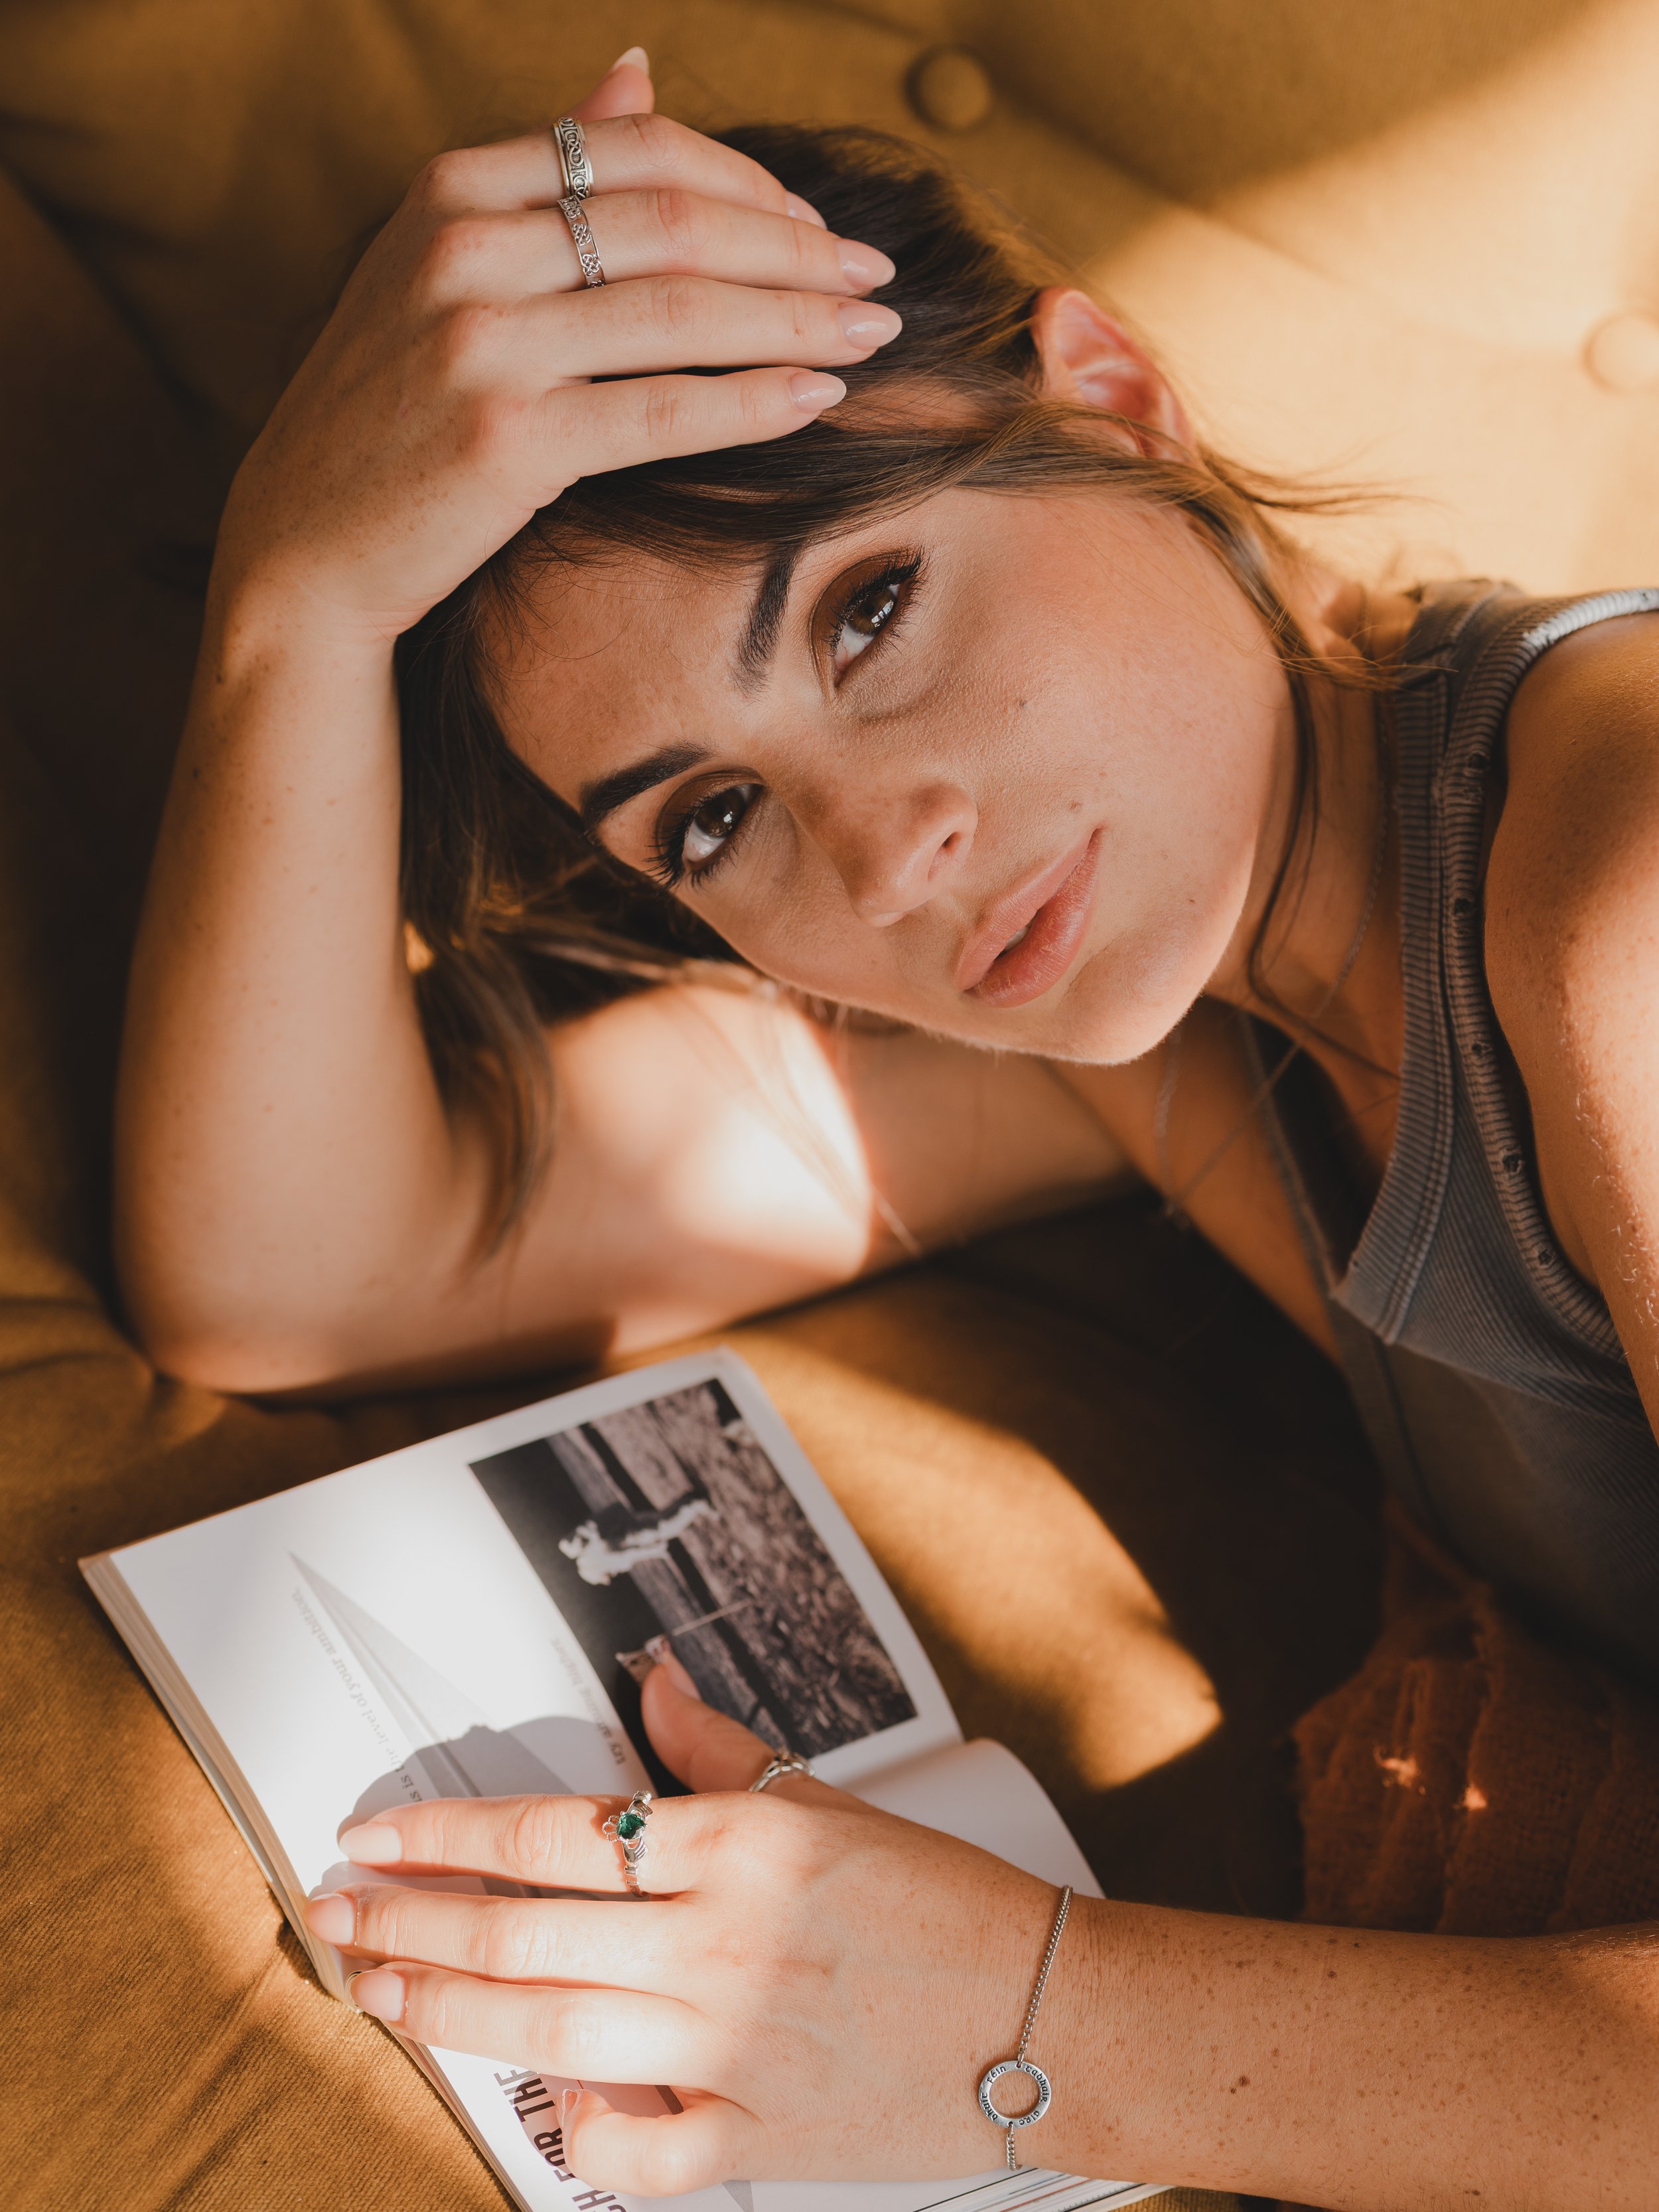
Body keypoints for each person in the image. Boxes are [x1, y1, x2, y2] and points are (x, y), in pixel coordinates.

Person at [113, 45, 1659, 2209]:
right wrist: (297, 606)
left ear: (1112, 398)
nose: (886, 862)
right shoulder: (1162, 1023)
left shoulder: (1617, 897)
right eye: (716, 817)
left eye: (867, 609)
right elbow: (307, 1268)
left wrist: (1023, 2027)